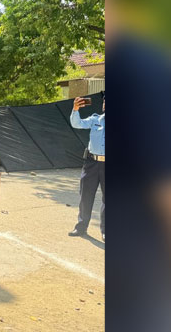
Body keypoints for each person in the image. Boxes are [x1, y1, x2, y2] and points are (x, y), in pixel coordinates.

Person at [68, 93, 105, 241]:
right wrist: (75, 109)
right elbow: (77, 124)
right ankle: (81, 227)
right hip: (91, 163)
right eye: (104, 101)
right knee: (85, 196)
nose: (105, 104)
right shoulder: (95, 119)